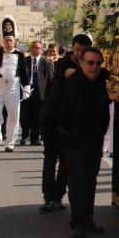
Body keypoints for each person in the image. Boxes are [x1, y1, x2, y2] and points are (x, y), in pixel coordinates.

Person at [57, 46, 119, 238]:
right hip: (73, 137)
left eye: (98, 63)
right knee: (77, 180)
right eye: (90, 63)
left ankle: (88, 219)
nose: (94, 67)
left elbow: (117, 78)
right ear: (81, 63)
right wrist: (107, 98)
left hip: (94, 137)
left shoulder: (103, 77)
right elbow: (80, 110)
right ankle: (77, 222)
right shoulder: (73, 83)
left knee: (89, 179)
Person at [39, 33, 93, 214]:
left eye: (84, 51)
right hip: (52, 117)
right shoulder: (63, 64)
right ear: (73, 48)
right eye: (77, 50)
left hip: (69, 121)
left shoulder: (88, 64)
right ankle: (48, 197)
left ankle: (58, 196)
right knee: (50, 158)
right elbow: (73, 75)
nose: (80, 54)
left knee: (66, 161)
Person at [0, 21, 32, 152]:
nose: (8, 43)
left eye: (11, 40)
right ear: (3, 41)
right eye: (6, 40)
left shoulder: (20, 55)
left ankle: (10, 143)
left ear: (14, 41)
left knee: (13, 115)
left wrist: (27, 88)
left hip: (13, 87)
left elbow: (24, 72)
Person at [20, 41, 52, 146]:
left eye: (38, 48)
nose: (36, 49)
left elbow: (50, 79)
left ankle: (35, 138)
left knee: (38, 116)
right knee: (25, 115)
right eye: (34, 47)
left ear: (41, 50)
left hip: (40, 91)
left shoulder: (46, 62)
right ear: (30, 49)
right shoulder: (24, 61)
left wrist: (49, 94)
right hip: (26, 90)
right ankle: (24, 136)